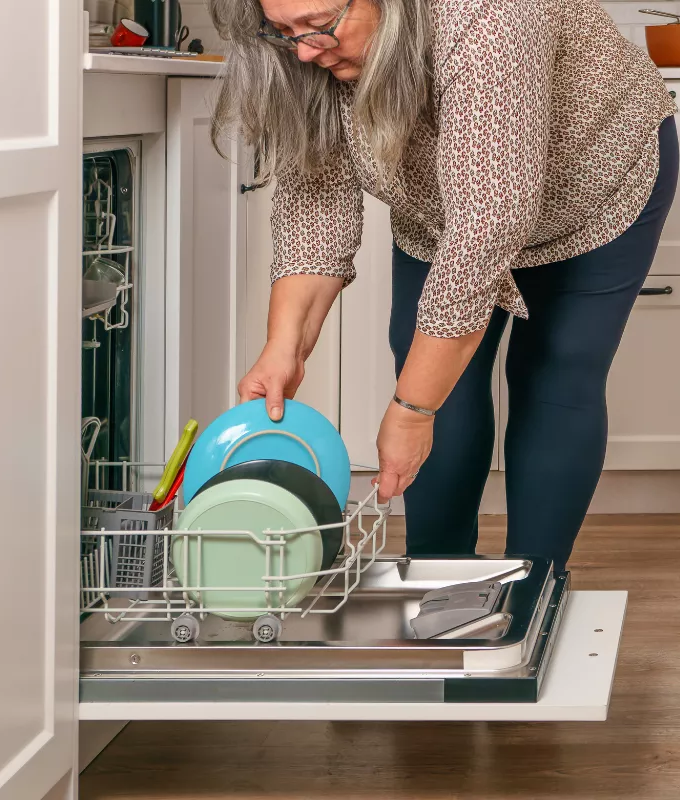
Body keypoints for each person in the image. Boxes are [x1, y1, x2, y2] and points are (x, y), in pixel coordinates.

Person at [209, 0, 679, 570]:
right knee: (428, 368)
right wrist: (283, 348)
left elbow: (487, 226)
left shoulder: (489, 16)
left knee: (557, 371)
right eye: (284, 32)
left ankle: (533, 589)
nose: (306, 50)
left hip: (591, 177)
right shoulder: (306, 54)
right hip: (439, 202)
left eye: (320, 25)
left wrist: (409, 411)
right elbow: (316, 197)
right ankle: (436, 580)